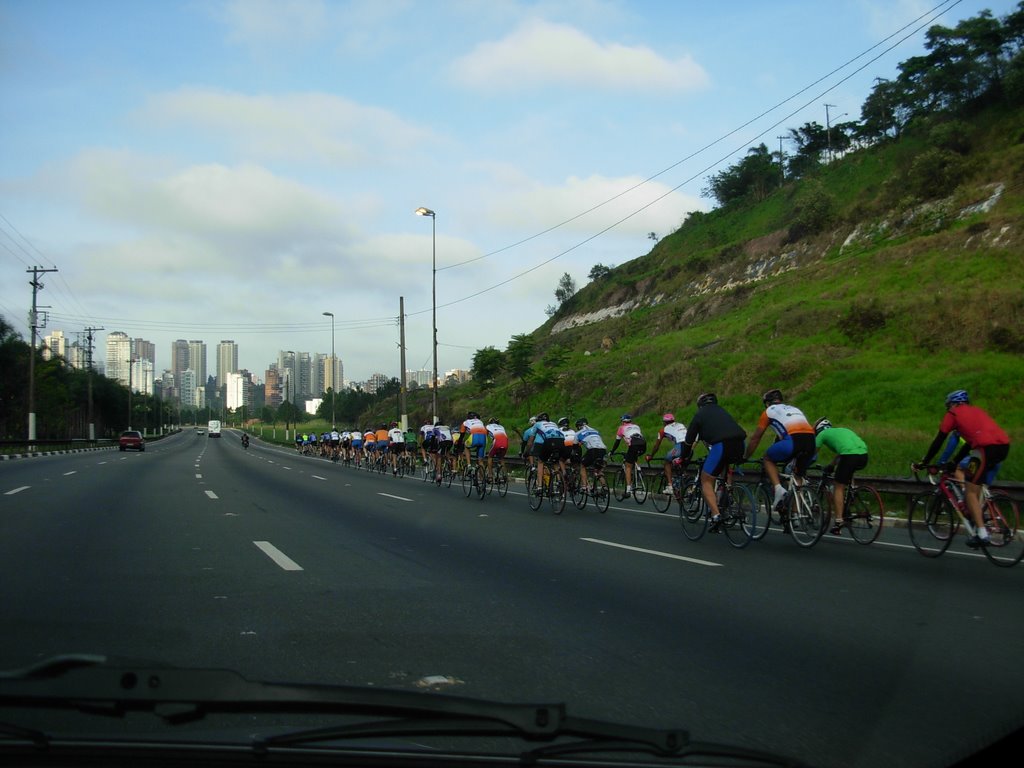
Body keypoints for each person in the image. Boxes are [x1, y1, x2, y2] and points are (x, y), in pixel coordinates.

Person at [915, 390, 1011, 548]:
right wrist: (955, 462)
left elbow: (939, 440)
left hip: (984, 450)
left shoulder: (953, 413)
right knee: (975, 482)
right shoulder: (977, 411)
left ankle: (982, 534)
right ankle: (980, 516)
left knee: (970, 490)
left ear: (952, 404)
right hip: (1003, 447)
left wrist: (924, 461)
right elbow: (968, 444)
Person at [680, 393, 747, 530]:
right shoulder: (722, 411)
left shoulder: (700, 415)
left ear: (700, 405)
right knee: (723, 471)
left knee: (706, 479)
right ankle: (727, 494)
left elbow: (689, 440)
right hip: (740, 444)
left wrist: (683, 457)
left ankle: (716, 516)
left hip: (721, 445)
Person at [744, 389, 816, 511]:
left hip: (793, 440)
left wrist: (745, 456)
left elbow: (755, 439)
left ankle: (778, 489)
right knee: (797, 478)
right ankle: (795, 514)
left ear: (767, 403)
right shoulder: (794, 409)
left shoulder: (768, 411)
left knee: (767, 458)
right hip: (811, 441)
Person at [813, 418, 869, 535]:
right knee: (849, 470)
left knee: (838, 486)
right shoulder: (842, 430)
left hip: (849, 456)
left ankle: (838, 522)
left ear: (817, 430)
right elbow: (841, 453)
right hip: (863, 455)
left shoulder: (821, 434)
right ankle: (852, 493)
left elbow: (813, 454)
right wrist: (831, 465)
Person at [646, 413, 688, 491]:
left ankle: (670, 486)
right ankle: (686, 482)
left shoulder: (663, 430)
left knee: (667, 462)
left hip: (680, 446)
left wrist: (651, 455)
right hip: (689, 446)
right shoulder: (681, 425)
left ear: (664, 422)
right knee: (682, 464)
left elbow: (656, 446)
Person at [609, 414, 646, 497]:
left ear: (622, 421)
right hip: (643, 444)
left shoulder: (621, 428)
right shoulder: (636, 426)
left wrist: (612, 451)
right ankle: (639, 471)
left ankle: (628, 489)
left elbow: (617, 442)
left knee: (628, 466)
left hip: (633, 445)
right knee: (634, 457)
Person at [574, 417, 607, 492]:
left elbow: (575, 448)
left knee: (582, 465)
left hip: (593, 450)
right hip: (603, 450)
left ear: (579, 426)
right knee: (599, 470)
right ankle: (604, 487)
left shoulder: (578, 433)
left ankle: (584, 487)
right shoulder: (595, 431)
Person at [485, 418, 509, 482]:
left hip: (497, 441)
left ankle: (490, 476)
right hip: (505, 442)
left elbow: (485, 438)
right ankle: (505, 476)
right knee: (501, 459)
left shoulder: (488, 426)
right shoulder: (501, 427)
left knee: (490, 457)